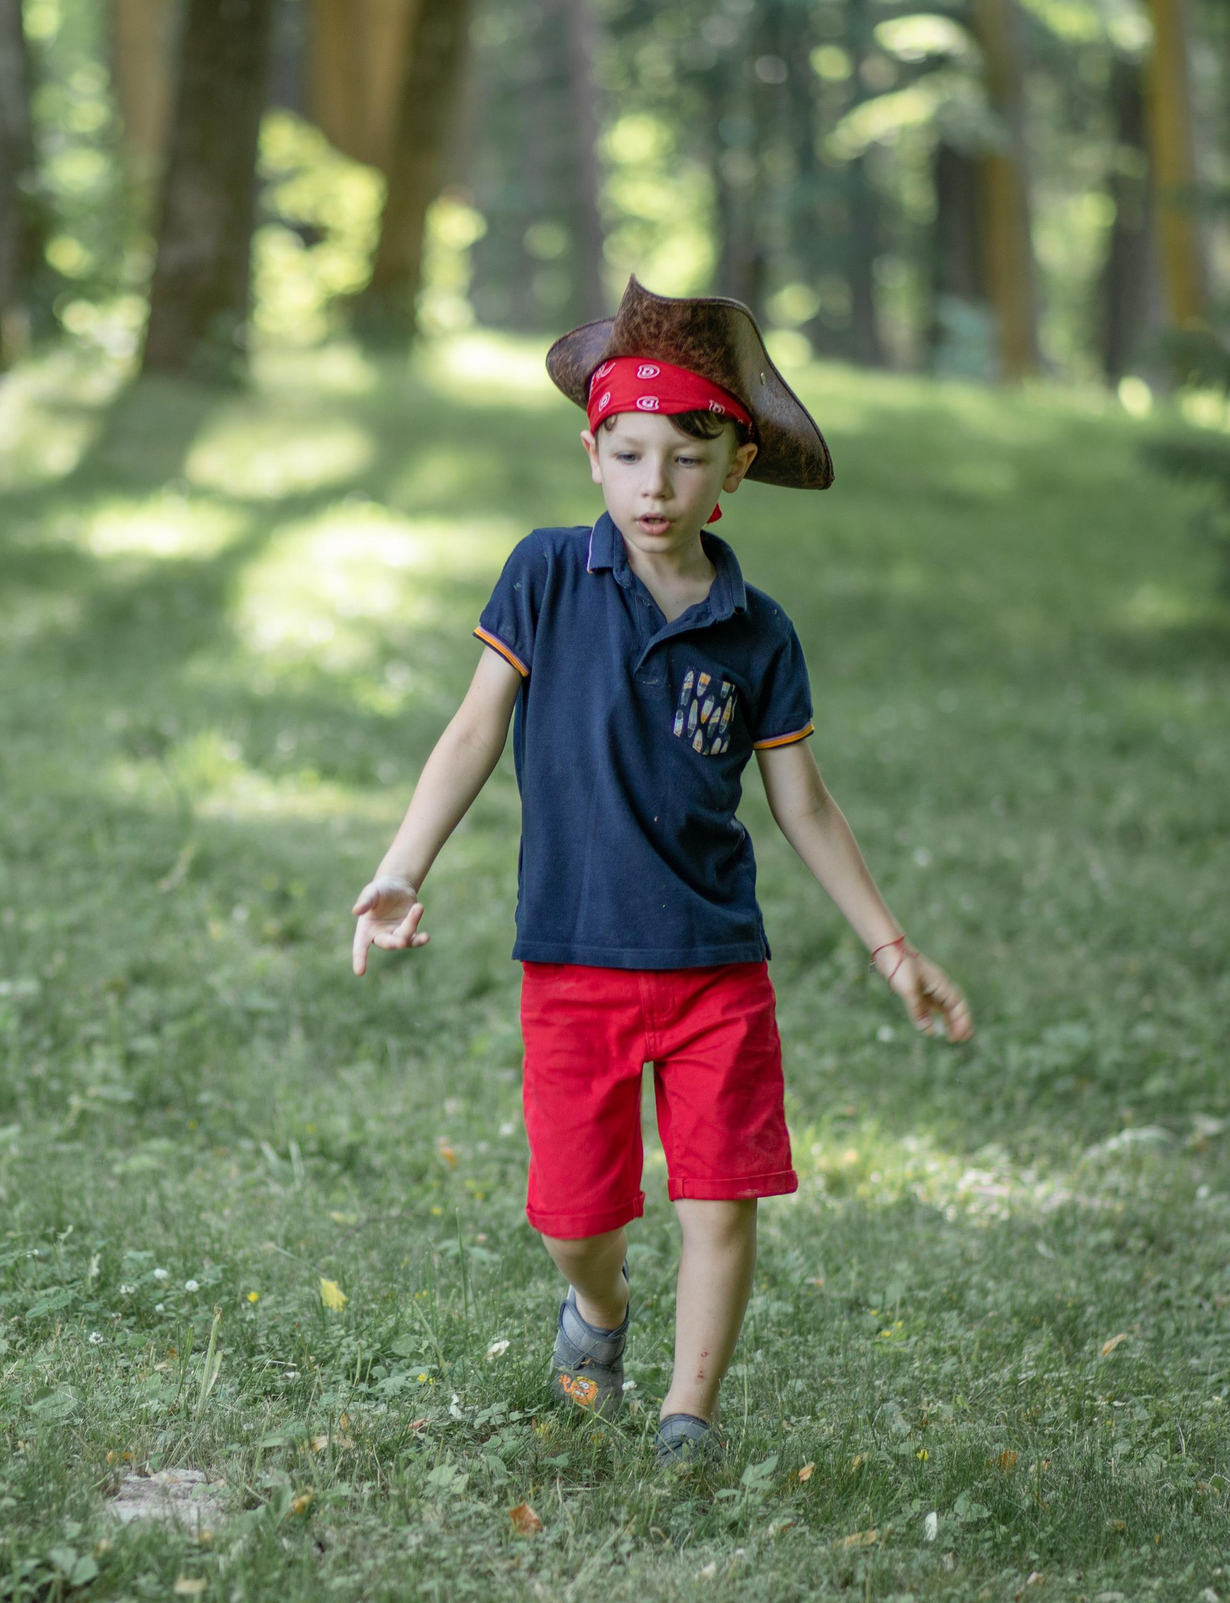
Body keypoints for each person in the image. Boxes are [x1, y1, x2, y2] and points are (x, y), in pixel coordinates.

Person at [349, 280, 973, 1468]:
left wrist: (892, 948)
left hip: (714, 966)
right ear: (591, 456)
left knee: (719, 1197)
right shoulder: (542, 575)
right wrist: (400, 866)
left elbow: (802, 802)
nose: (654, 484)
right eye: (628, 453)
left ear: (734, 466)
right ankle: (598, 1309)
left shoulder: (757, 632)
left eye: (686, 457)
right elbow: (474, 730)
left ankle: (690, 1415)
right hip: (573, 959)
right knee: (573, 1217)